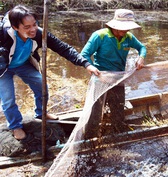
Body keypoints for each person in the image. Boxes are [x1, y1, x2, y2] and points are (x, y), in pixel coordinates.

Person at [0, 5, 101, 140]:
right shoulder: (3, 34)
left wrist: (86, 64)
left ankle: (41, 113)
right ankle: (15, 126)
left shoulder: (40, 34)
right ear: (15, 27)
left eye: (34, 24)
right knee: (8, 99)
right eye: (27, 27)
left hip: (23, 64)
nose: (33, 29)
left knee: (41, 86)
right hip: (4, 68)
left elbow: (63, 48)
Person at [81, 9, 146, 135]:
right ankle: (90, 137)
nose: (125, 31)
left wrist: (141, 57)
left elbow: (142, 47)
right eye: (122, 28)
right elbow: (84, 55)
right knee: (95, 112)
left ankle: (118, 133)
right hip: (101, 79)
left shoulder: (128, 37)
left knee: (118, 110)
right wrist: (91, 67)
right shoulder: (100, 36)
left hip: (118, 79)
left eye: (127, 28)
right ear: (113, 25)